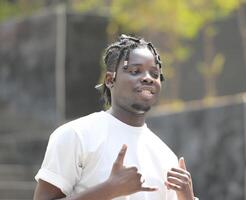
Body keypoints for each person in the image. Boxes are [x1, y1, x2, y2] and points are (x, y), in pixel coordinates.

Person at [33, 34, 198, 200]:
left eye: (155, 74)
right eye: (135, 71)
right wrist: (108, 190)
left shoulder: (166, 157)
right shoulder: (76, 135)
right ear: (111, 80)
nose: (148, 78)